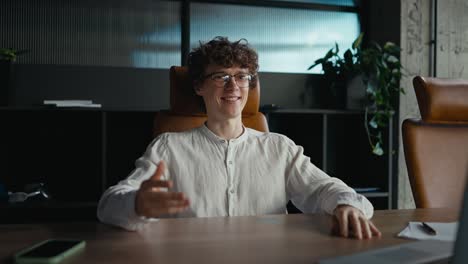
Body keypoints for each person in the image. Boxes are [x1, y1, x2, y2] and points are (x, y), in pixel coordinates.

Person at [97, 36, 381, 239]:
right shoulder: (169, 147)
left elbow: (324, 189)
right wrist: (137, 204)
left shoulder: (279, 148)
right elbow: (109, 204)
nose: (233, 85)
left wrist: (346, 204)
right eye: (221, 76)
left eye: (242, 76)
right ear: (198, 86)